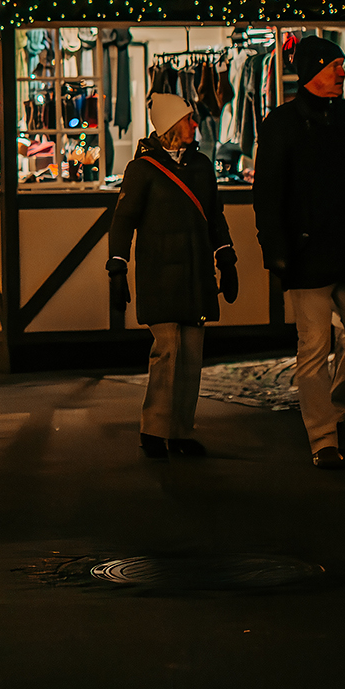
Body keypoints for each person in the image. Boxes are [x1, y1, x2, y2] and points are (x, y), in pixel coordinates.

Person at [254, 37, 345, 471]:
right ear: (310, 70)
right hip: (307, 254)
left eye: (342, 65)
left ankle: (336, 407)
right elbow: (268, 195)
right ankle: (323, 438)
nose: (341, 73)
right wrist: (275, 250)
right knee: (313, 349)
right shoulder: (281, 124)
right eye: (333, 66)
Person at [105, 94, 237, 460]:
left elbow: (214, 215)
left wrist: (226, 258)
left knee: (192, 354)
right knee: (167, 350)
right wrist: (117, 268)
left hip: (195, 272)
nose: (195, 124)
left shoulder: (201, 166)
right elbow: (123, 221)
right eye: (188, 119)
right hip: (159, 272)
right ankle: (154, 428)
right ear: (171, 124)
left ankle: (179, 430)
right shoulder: (143, 169)